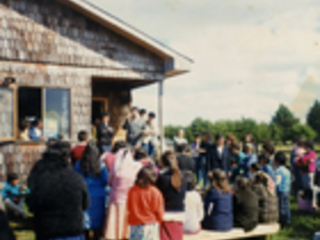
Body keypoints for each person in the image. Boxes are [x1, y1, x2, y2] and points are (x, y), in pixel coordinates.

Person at [26, 141, 89, 240]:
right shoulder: (76, 178)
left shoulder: (41, 179)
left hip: (47, 230)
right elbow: (85, 204)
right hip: (72, 230)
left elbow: (32, 204)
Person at [104, 148, 142, 240]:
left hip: (115, 198)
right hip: (129, 199)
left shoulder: (116, 166)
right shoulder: (135, 166)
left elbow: (109, 181)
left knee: (115, 220)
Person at [75, 142, 108, 240]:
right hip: (99, 196)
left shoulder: (79, 164)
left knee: (84, 221)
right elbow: (106, 180)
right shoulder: (101, 165)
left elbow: (76, 178)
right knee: (97, 221)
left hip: (84, 194)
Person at [127, 165, 164, 240]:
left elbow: (129, 206)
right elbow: (159, 211)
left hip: (134, 224)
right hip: (150, 225)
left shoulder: (132, 190)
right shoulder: (155, 192)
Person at [156, 151, 187, 240]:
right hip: (180, 213)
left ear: (162, 163)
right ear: (176, 162)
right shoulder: (184, 176)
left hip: (165, 213)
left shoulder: (161, 178)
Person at [274, 151, 291, 228]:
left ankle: (282, 222)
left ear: (277, 161)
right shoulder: (287, 170)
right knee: (286, 205)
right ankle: (288, 220)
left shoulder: (279, 171)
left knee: (281, 207)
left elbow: (277, 182)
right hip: (287, 190)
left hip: (281, 190)